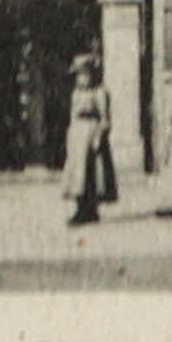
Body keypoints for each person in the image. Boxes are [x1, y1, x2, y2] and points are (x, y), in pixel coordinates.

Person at [61, 51, 116, 229]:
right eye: (78, 75)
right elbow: (72, 115)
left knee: (91, 173)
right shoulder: (76, 94)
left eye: (84, 74)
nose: (81, 79)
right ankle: (80, 207)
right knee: (77, 175)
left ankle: (91, 209)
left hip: (91, 135)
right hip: (77, 136)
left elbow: (105, 119)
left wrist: (100, 136)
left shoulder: (99, 93)